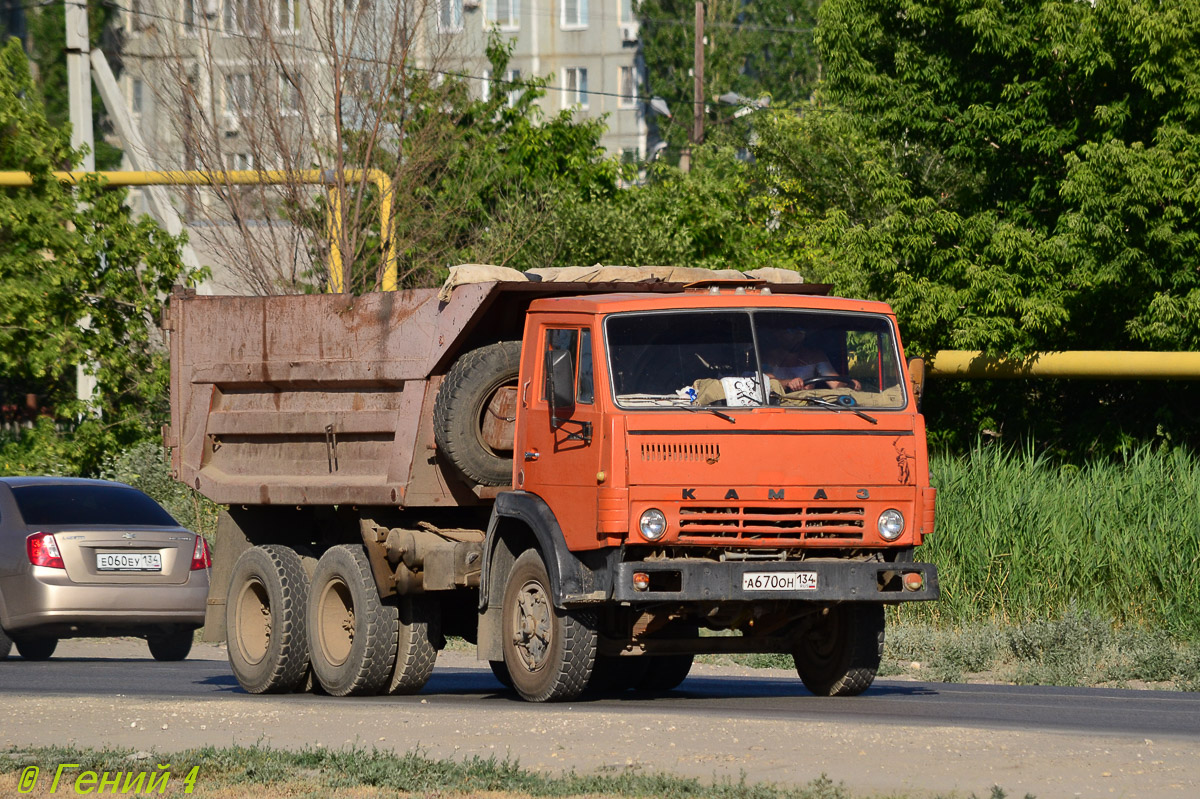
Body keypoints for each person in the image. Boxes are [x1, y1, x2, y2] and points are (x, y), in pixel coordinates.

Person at [763, 329, 860, 392]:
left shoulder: (816, 356)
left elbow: (835, 383)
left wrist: (850, 385)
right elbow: (766, 381)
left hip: (809, 403)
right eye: (791, 331)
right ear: (778, 334)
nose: (797, 334)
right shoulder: (768, 357)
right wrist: (788, 383)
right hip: (778, 405)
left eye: (800, 330)